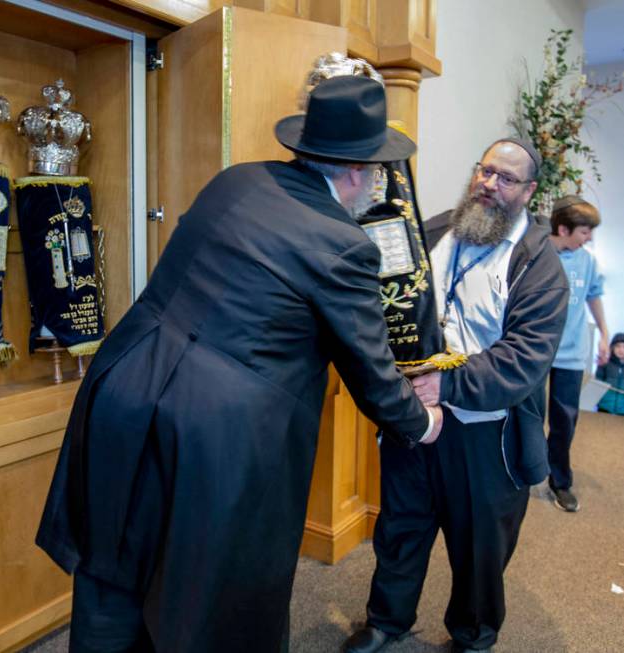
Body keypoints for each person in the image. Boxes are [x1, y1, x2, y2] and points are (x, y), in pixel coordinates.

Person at [36, 71, 445, 653]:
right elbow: (371, 375)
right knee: (208, 598)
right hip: (215, 433)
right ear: (357, 172)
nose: (378, 181)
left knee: (114, 566)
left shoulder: (237, 180)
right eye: (378, 169)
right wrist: (422, 422)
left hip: (123, 387)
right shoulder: (345, 243)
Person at [344, 138, 569, 653]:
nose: (491, 184)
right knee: (401, 528)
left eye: (507, 178)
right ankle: (387, 621)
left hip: (487, 433)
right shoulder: (437, 230)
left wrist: (446, 382)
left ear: (529, 191)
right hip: (415, 418)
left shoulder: (539, 265)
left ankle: (473, 635)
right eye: (485, 171)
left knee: (479, 547)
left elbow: (526, 360)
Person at [546, 196, 609, 512]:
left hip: (571, 354)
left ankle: (560, 482)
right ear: (563, 228)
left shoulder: (587, 261)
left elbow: (594, 296)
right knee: (523, 416)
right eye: (585, 231)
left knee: (564, 421)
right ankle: (520, 471)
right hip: (536, 351)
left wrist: (604, 336)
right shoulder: (539, 254)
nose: (590, 238)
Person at [596, 333, 624, 414]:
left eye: (623, 346)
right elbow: (598, 384)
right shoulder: (605, 364)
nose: (621, 350)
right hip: (604, 407)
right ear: (612, 348)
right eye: (618, 346)